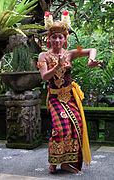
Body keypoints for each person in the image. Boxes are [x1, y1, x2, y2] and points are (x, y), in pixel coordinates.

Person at [37, 11, 101, 174]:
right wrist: (57, 66)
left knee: (75, 126)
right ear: (49, 38)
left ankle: (67, 163)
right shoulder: (43, 55)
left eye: (60, 37)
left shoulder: (71, 53)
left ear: (65, 39)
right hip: (55, 97)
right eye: (54, 37)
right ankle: (54, 161)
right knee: (61, 127)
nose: (57, 40)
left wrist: (90, 60)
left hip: (71, 97)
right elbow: (44, 77)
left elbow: (91, 49)